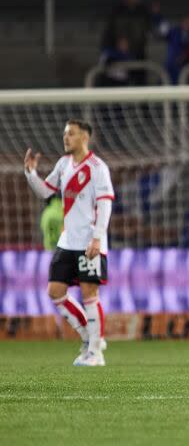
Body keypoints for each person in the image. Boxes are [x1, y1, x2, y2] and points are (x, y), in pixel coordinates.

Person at [24, 120, 114, 366]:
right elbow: (45, 191)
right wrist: (31, 174)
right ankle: (88, 335)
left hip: (89, 242)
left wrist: (98, 237)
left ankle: (96, 353)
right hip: (67, 241)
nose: (66, 138)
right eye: (65, 133)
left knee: (89, 293)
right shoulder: (63, 164)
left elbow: (105, 204)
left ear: (84, 138)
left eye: (71, 134)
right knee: (55, 292)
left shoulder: (98, 167)